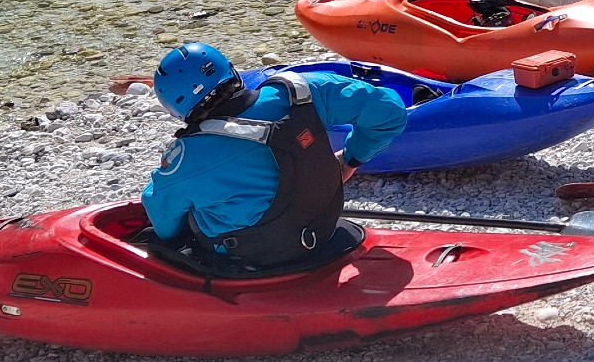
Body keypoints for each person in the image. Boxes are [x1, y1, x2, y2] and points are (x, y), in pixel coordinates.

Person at [142, 43, 407, 275]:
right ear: (231, 70)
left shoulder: (189, 156)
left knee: (173, 224)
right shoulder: (302, 92)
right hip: (323, 224)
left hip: (254, 255)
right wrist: (351, 160)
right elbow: (390, 111)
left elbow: (160, 213)